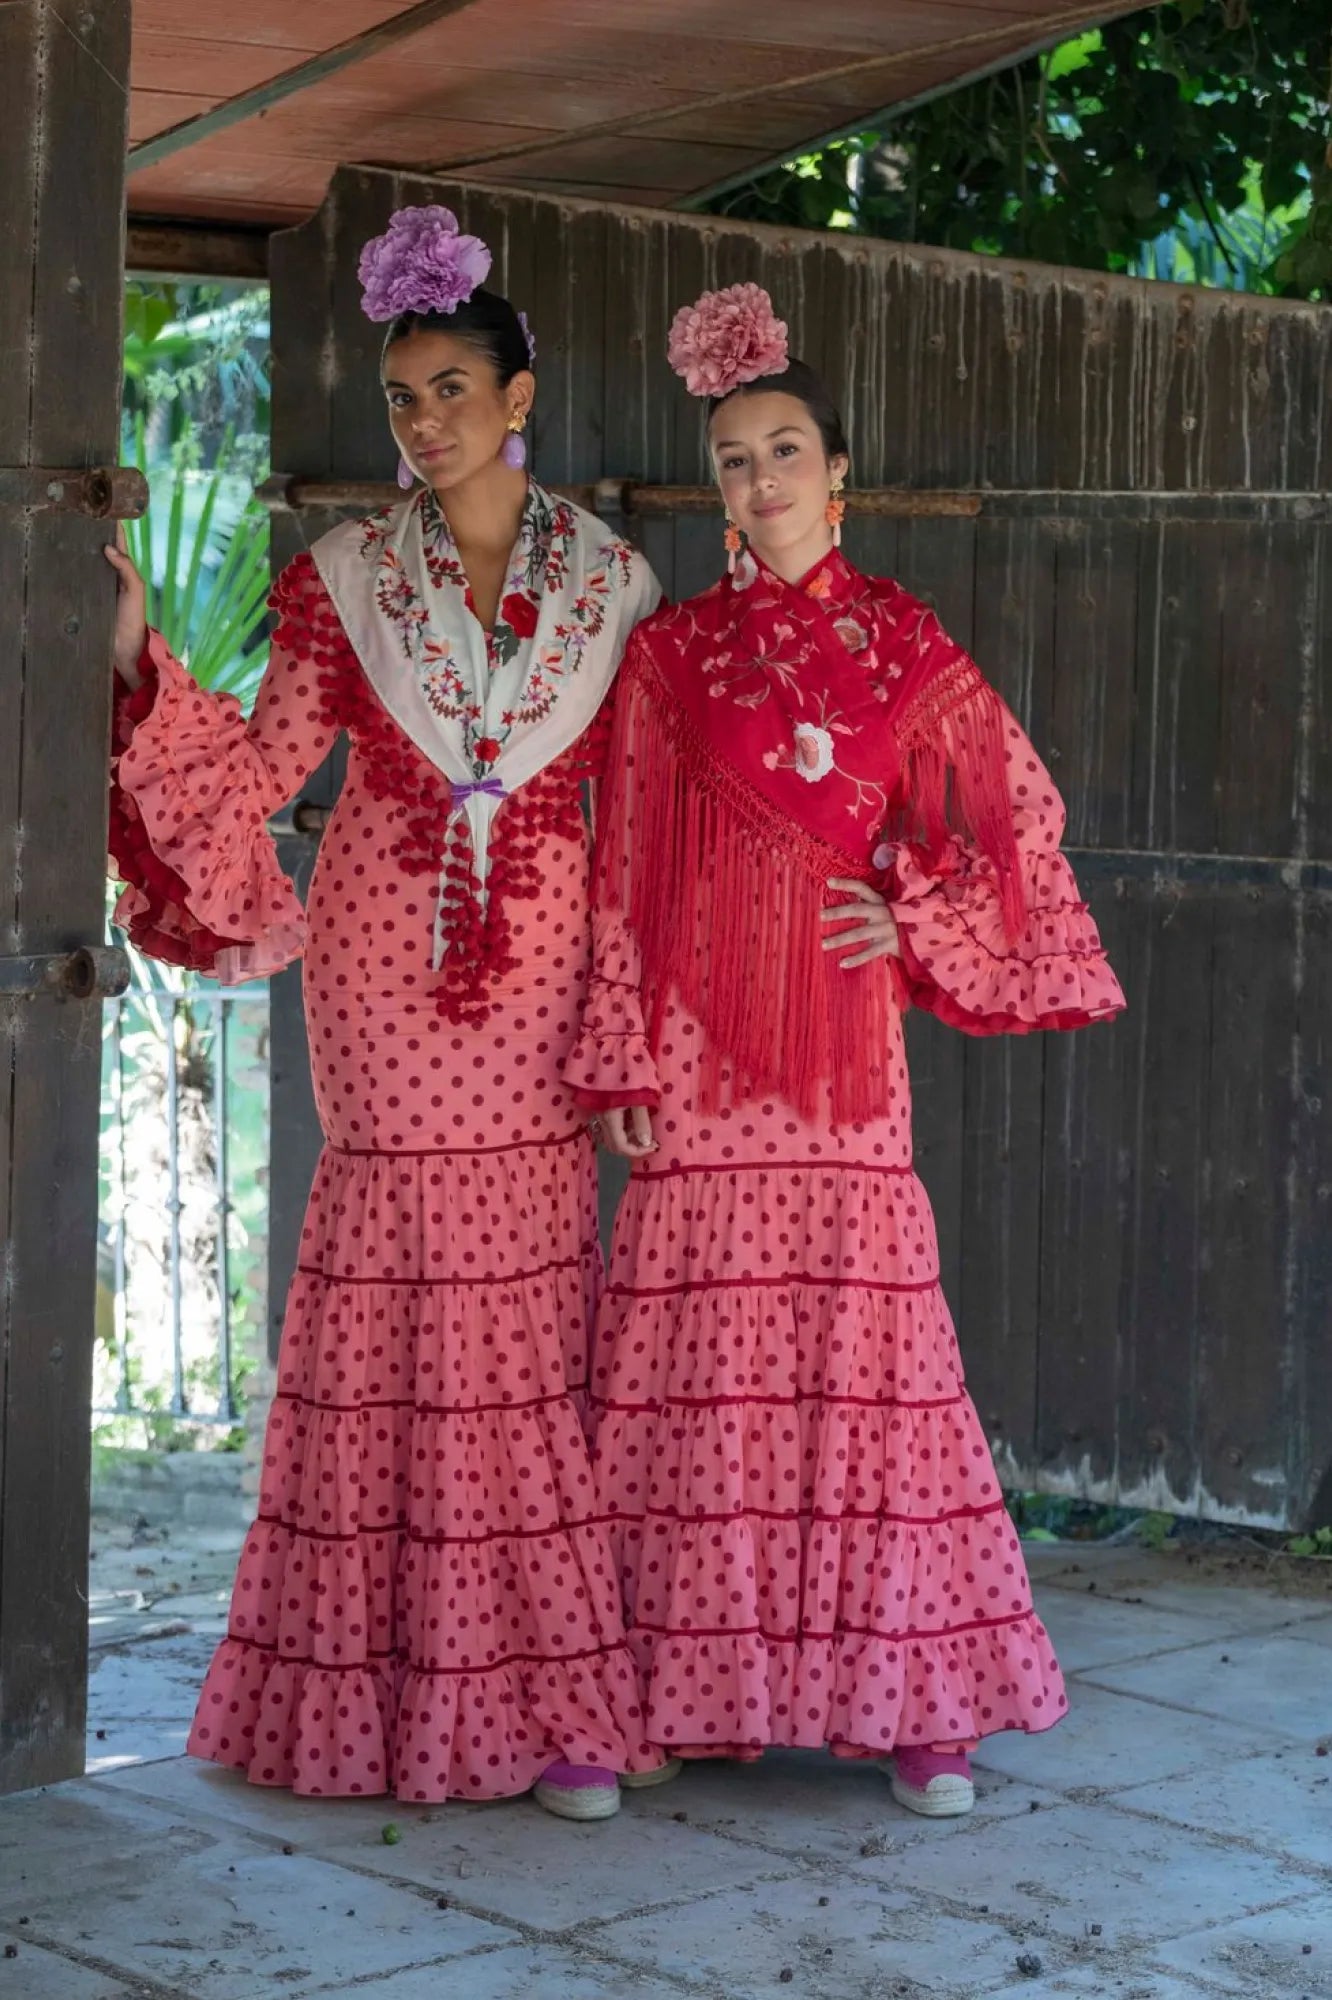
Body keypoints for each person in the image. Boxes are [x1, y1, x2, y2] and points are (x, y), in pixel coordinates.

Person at [103, 205, 667, 1822]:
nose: (422, 423)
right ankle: (379, 1697)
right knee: (402, 1302)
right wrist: (141, 655)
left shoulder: (616, 587)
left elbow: (636, 835)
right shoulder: (345, 575)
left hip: (548, 974)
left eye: (447, 391)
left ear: (520, 394)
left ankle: (555, 1704)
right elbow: (267, 775)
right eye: (402, 398)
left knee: (528, 1323)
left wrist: (626, 1028)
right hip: (380, 972)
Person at [567, 283, 1126, 1818]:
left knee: (873, 1372)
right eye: (734, 457)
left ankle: (915, 1714)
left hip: (846, 1064)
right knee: (685, 1371)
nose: (760, 479)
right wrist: (618, 1059)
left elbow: (1016, 822)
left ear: (839, 477)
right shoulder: (670, 654)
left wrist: (915, 913)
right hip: (694, 1053)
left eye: (786, 450)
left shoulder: (904, 645)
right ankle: (667, 1697)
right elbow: (624, 867)